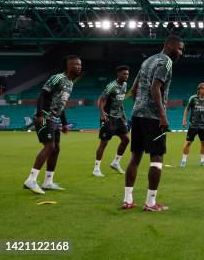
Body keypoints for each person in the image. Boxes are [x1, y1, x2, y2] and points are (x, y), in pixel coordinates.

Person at [123, 35, 184, 212]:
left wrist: (139, 106)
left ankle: (128, 200)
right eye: (179, 48)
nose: (180, 53)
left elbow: (134, 90)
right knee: (156, 158)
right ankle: (150, 203)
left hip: (137, 114)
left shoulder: (147, 61)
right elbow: (155, 88)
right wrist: (162, 115)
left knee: (135, 156)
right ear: (169, 45)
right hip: (153, 117)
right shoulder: (166, 62)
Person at [23, 55, 82, 194]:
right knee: (49, 146)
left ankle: (48, 182)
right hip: (45, 115)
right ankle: (31, 180)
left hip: (55, 119)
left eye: (80, 64)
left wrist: (65, 123)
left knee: (56, 149)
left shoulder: (70, 83)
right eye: (75, 64)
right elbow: (42, 95)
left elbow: (60, 104)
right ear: (68, 66)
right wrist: (39, 114)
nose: (78, 67)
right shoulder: (58, 78)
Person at [93, 65, 130, 177]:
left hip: (118, 118)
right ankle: (96, 169)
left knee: (126, 140)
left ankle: (115, 162)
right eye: (124, 74)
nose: (126, 76)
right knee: (104, 143)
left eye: (127, 74)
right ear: (118, 74)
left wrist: (124, 116)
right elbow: (101, 99)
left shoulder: (124, 85)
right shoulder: (111, 86)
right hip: (108, 118)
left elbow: (120, 102)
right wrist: (102, 113)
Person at [180, 82, 204, 167]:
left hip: (203, 126)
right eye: (203, 88)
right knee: (188, 142)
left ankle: (202, 161)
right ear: (199, 90)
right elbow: (187, 109)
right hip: (193, 125)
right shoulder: (193, 98)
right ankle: (183, 160)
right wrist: (184, 120)